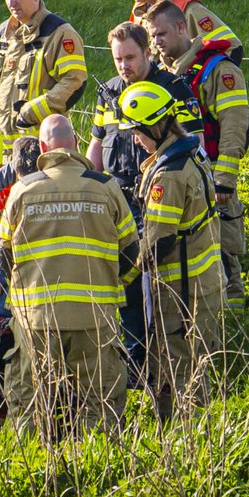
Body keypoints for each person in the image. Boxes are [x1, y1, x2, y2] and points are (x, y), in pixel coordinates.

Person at [0, 115, 136, 439]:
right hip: (94, 314)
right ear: (75, 143)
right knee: (100, 401)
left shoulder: (22, 190)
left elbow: (3, 254)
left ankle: (31, 471)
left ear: (42, 148)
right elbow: (130, 250)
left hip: (36, 318)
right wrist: (106, 282)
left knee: (30, 400)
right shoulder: (106, 187)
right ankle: (100, 469)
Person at [87, 21, 200, 372]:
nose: (124, 66)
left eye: (131, 57)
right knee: (124, 281)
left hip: (159, 197)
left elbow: (194, 147)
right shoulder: (108, 92)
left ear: (148, 52)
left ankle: (159, 360)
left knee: (150, 281)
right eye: (118, 59)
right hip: (116, 199)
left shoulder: (174, 90)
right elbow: (96, 147)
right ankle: (134, 358)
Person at [119, 81, 225, 424]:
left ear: (155, 126)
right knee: (195, 366)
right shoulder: (189, 151)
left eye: (137, 131)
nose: (135, 139)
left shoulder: (169, 175)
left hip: (182, 292)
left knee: (178, 369)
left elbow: (158, 243)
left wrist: (125, 278)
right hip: (203, 283)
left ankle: (184, 439)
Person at [146, 2, 249, 311]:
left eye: (162, 34)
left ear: (182, 28)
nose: (156, 42)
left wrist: (224, 180)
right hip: (174, 177)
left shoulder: (218, 69)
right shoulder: (162, 74)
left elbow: (235, 127)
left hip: (212, 174)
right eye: (152, 36)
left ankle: (233, 323)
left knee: (223, 253)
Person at [0, 0, 87, 144]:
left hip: (39, 146)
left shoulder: (59, 33)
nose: (11, 3)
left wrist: (30, 112)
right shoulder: (3, 32)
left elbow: (74, 81)